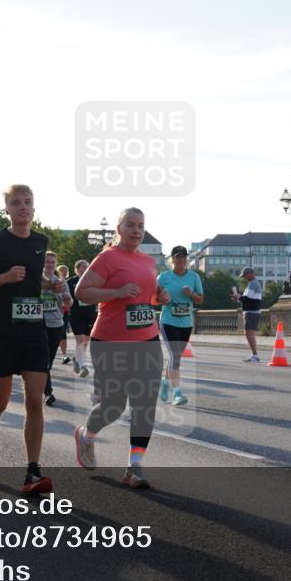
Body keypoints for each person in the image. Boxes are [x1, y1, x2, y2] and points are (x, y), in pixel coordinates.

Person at [0, 184, 57, 494]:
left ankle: (32, 471)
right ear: (6, 208)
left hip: (34, 329)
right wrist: (4, 278)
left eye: (28, 202)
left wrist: (51, 285)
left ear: (34, 207)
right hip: (3, 329)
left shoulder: (40, 241)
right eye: (16, 203)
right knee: (0, 401)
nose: (23, 207)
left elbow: (34, 279)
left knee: (35, 399)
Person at [73, 208, 170, 489]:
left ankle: (134, 467)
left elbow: (145, 297)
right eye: (131, 225)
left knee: (145, 405)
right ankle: (86, 436)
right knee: (114, 406)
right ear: (119, 228)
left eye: (141, 225)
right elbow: (81, 292)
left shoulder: (147, 261)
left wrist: (159, 298)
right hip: (111, 342)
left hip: (147, 340)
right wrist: (114, 293)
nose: (136, 230)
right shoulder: (107, 258)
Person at [157, 245, 204, 406]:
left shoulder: (193, 277)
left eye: (184, 257)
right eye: (178, 257)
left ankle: (164, 382)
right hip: (168, 321)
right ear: (172, 259)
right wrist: (163, 298)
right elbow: (153, 298)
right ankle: (177, 392)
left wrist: (191, 294)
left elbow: (200, 300)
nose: (181, 260)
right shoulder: (163, 277)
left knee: (174, 357)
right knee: (175, 356)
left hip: (186, 323)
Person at [42, 251, 73, 406]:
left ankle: (44, 387)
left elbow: (69, 302)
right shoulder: (35, 280)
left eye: (52, 262)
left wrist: (66, 297)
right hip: (38, 324)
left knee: (48, 361)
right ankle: (48, 392)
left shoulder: (60, 281)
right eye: (47, 261)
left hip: (55, 324)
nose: (49, 264)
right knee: (43, 359)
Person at [67, 259, 96, 377]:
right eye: (83, 267)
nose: (85, 269)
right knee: (80, 340)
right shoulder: (71, 282)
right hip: (76, 314)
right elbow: (66, 296)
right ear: (77, 269)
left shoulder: (93, 281)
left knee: (85, 342)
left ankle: (78, 359)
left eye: (87, 266)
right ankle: (83, 365)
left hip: (90, 314)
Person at [233, 267, 262, 362]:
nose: (244, 277)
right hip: (251, 312)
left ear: (250, 274)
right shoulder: (252, 283)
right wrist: (238, 298)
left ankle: (255, 355)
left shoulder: (253, 283)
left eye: (245, 275)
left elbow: (247, 299)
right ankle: (254, 355)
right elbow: (247, 299)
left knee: (249, 334)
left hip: (251, 313)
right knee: (249, 334)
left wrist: (238, 297)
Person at [57, 264, 71, 363]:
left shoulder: (66, 283)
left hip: (64, 311)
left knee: (62, 334)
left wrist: (68, 303)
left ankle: (64, 355)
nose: (64, 273)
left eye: (65, 271)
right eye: (62, 271)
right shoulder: (53, 281)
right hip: (51, 312)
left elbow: (70, 298)